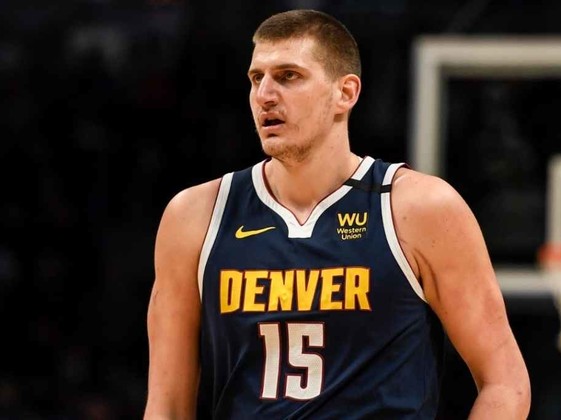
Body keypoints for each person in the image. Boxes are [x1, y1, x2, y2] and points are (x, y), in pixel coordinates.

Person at [144, 9, 531, 419]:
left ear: (345, 92)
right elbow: (166, 405)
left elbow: (505, 382)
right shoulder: (195, 216)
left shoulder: (419, 208)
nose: (265, 95)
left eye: (288, 76)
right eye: (257, 78)